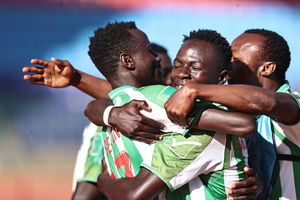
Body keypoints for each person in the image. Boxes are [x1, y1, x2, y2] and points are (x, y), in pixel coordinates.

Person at [23, 25, 257, 199]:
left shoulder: (196, 125)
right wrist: (105, 109)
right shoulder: (139, 105)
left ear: (222, 77)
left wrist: (103, 180)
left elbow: (245, 125)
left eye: (194, 68)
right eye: (176, 66)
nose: (179, 76)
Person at [163, 29, 300, 199]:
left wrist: (192, 90)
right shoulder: (227, 111)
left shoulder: (293, 104)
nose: (228, 65)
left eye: (235, 60)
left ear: (267, 68)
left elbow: (265, 102)